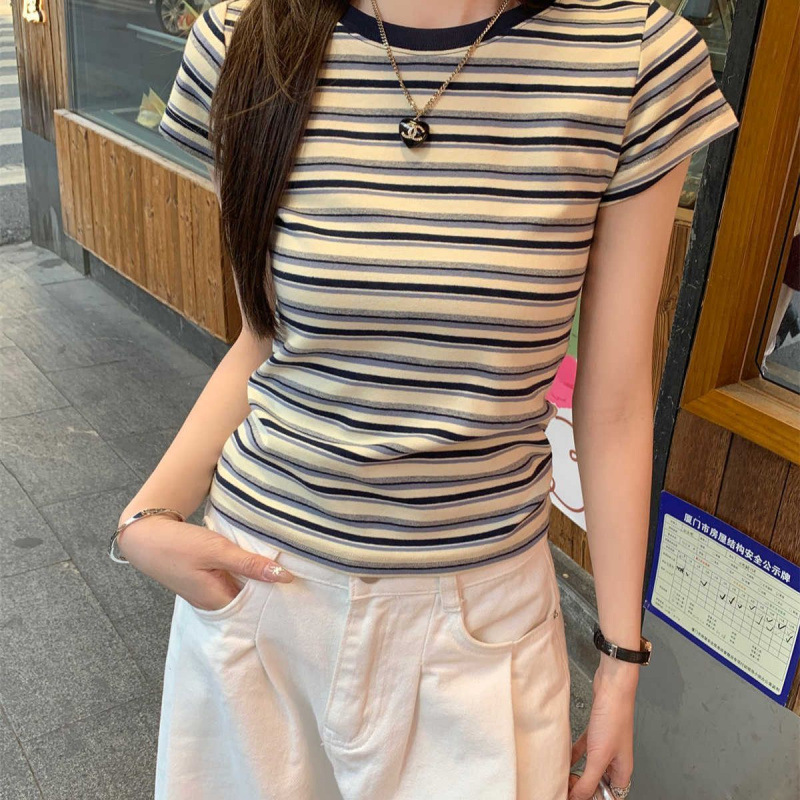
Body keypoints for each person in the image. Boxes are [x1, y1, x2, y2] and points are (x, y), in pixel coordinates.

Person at [115, 0, 739, 798]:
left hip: (477, 626)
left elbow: (613, 402)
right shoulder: (245, 39)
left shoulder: (632, 59)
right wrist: (148, 516)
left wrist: (621, 662)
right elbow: (261, 340)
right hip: (260, 595)